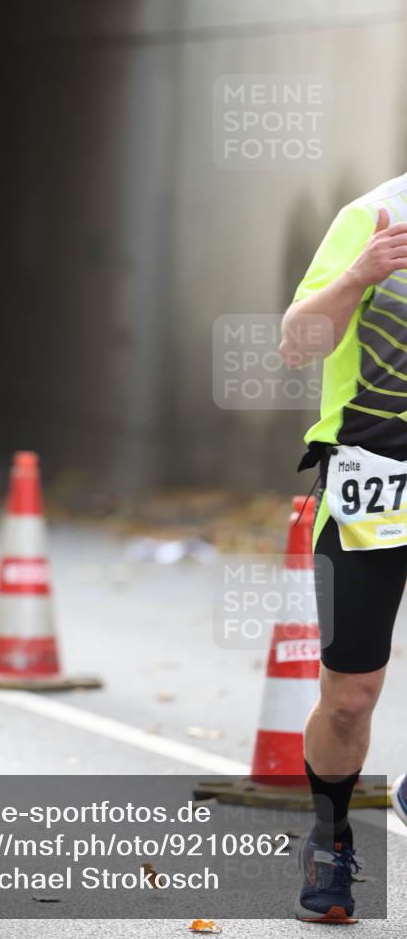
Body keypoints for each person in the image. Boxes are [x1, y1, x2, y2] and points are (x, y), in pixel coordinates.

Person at [280, 173, 407, 922]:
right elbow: (297, 343)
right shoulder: (371, 216)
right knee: (349, 697)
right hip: (372, 484)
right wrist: (362, 274)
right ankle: (330, 840)